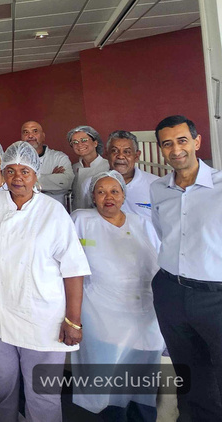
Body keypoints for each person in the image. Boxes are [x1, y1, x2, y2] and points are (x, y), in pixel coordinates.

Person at [0, 141, 90, 422]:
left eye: (24, 171)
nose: (17, 178)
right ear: (2, 173)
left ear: (36, 174)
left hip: (42, 319)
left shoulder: (53, 212)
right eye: (11, 171)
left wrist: (73, 321)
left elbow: (73, 269)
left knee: (43, 394)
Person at [70, 170, 164, 421]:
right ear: (93, 197)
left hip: (144, 314)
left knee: (143, 379)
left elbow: (159, 264)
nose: (108, 197)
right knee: (108, 378)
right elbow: (68, 266)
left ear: (123, 195)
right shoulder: (80, 220)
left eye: (114, 191)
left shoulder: (142, 223)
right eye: (100, 192)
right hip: (101, 315)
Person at [150, 115, 222, 419]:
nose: (175, 149)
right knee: (188, 374)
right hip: (170, 291)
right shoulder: (158, 190)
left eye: (182, 140)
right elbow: (161, 233)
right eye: (167, 144)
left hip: (215, 296)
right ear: (161, 150)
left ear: (196, 141)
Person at [79, 130, 158, 219]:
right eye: (114, 151)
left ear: (136, 155)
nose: (120, 156)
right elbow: (84, 220)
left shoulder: (156, 185)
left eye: (127, 152)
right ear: (107, 153)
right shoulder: (89, 184)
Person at [20, 121, 73, 207]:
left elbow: (66, 182)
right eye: (26, 132)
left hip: (55, 209)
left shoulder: (59, 157)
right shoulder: (16, 160)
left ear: (43, 136)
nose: (30, 136)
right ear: (21, 138)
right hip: (26, 209)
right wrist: (51, 178)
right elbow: (11, 184)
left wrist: (26, 180)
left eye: (35, 131)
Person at [69, 125, 110, 210]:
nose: (79, 144)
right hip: (77, 214)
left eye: (84, 140)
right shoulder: (73, 168)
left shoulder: (108, 166)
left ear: (95, 143)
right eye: (75, 142)